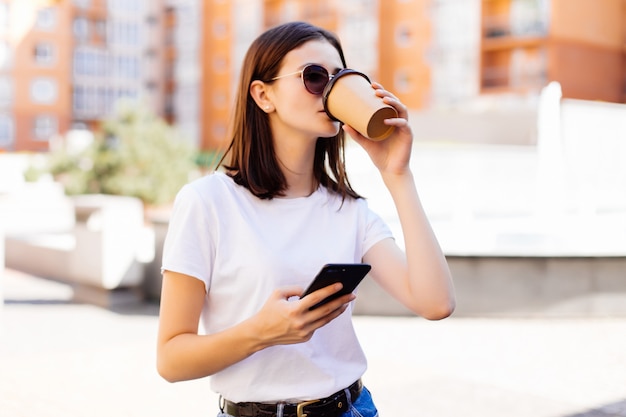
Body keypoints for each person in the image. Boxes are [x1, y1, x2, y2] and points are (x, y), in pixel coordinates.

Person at [157, 21, 455, 417]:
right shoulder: (207, 201)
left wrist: (397, 175)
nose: (331, 91)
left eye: (343, 78)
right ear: (263, 96)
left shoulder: (348, 210)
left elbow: (435, 303)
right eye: (315, 77)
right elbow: (171, 359)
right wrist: (262, 332)